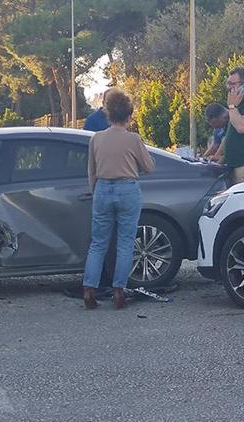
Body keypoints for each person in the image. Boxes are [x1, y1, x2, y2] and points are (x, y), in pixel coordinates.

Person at [82, 89, 155, 310]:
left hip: (103, 188)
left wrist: (96, 191)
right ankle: (119, 291)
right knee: (125, 242)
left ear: (108, 114)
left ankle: (89, 288)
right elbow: (149, 167)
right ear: (129, 115)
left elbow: (91, 171)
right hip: (127, 189)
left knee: (98, 243)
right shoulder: (133, 139)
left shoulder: (97, 138)